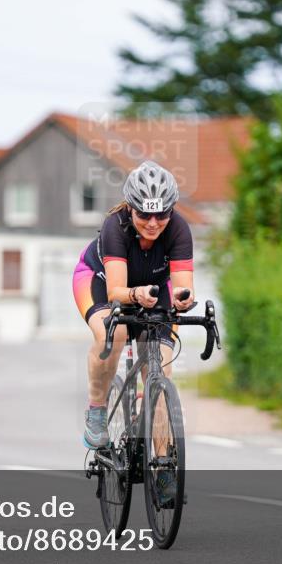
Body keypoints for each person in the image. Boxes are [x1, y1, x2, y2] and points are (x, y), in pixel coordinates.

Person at [71, 160, 195, 458]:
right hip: (100, 282)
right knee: (113, 334)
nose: (153, 223)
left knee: (160, 368)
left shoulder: (179, 228)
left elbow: (182, 286)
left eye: (161, 214)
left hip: (153, 290)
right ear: (130, 208)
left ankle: (163, 464)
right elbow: (116, 291)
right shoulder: (115, 226)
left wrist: (183, 299)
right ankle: (97, 409)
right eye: (144, 214)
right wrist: (136, 294)